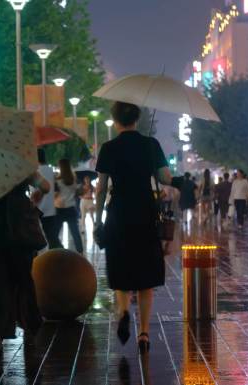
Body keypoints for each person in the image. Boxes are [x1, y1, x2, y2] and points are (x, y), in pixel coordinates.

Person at [94, 102, 174, 355]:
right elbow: (165, 179)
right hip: (145, 212)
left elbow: (101, 187)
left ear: (116, 120)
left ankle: (124, 310)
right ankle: (144, 333)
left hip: (118, 213)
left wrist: (97, 218)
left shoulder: (108, 148)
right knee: (145, 275)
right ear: (137, 119)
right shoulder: (151, 145)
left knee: (120, 266)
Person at [0, 173, 49, 352]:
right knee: (23, 279)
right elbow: (46, 186)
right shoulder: (20, 164)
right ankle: (30, 326)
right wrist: (34, 198)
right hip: (19, 228)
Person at [55, 159, 84, 253]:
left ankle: (59, 251)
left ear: (60, 167)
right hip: (71, 209)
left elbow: (55, 195)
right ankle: (81, 252)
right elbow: (79, 192)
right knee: (75, 233)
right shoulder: (74, 179)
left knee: (54, 234)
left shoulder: (57, 180)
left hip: (59, 209)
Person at [34, 149, 61, 249]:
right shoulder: (50, 170)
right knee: (52, 238)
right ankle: (55, 258)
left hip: (36, 208)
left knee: (34, 238)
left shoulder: (35, 170)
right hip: (50, 208)